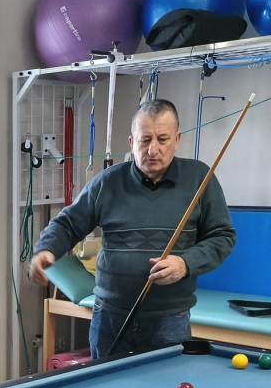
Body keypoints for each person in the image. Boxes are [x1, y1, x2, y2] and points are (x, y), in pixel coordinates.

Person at [30, 98, 235, 358]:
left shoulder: (200, 178)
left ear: (176, 140)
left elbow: (222, 237)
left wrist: (185, 264)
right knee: (106, 383)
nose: (153, 150)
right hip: (110, 316)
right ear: (131, 142)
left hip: (169, 319)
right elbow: (68, 223)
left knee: (164, 384)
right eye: (144, 140)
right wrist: (47, 249)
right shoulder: (107, 183)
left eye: (162, 139)